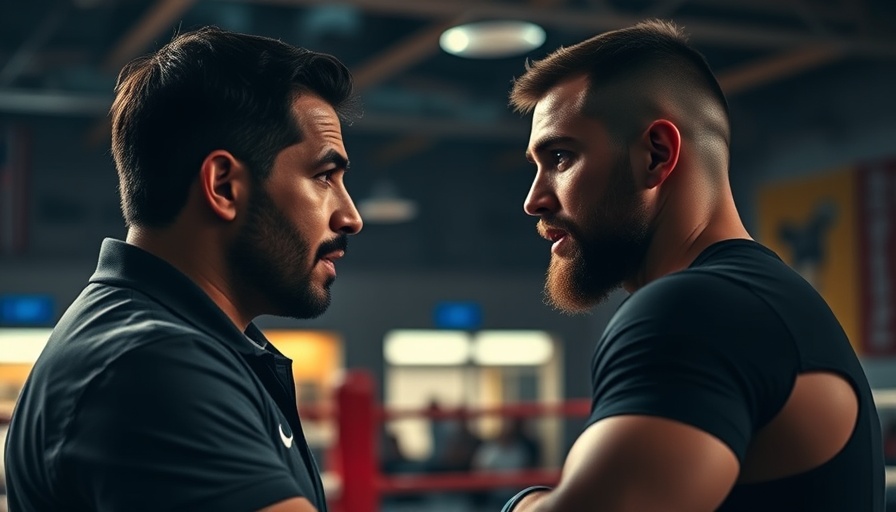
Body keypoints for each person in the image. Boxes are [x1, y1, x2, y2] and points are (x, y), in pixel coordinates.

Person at [502, 19, 884, 512]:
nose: (533, 200)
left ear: (656, 155)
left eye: (560, 156)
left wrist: (526, 503)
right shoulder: (769, 299)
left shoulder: (692, 311)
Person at [3, 26, 363, 512]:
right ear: (223, 186)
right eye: (324, 177)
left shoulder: (176, 342)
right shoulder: (152, 363)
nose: (350, 216)